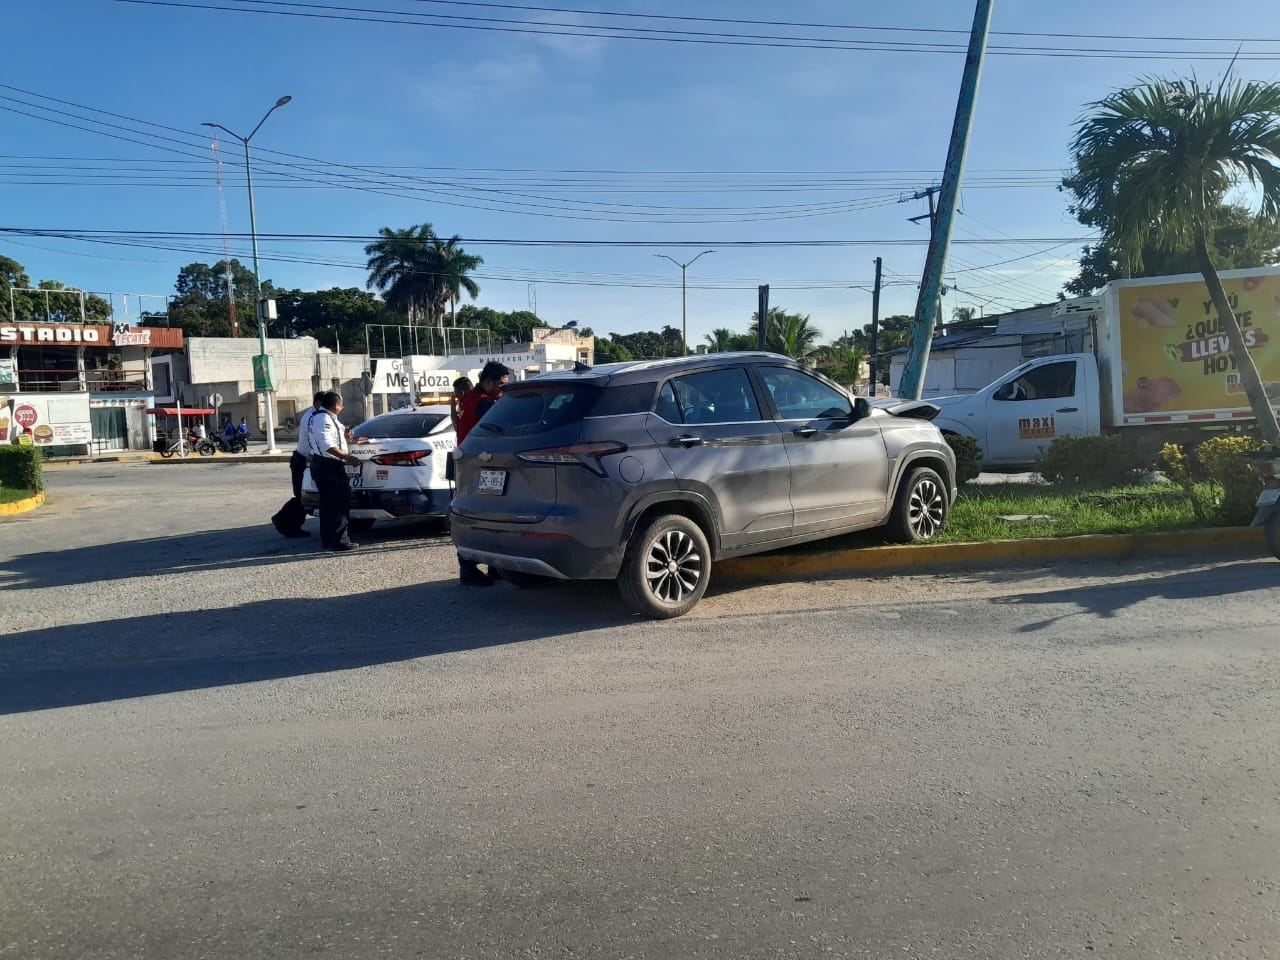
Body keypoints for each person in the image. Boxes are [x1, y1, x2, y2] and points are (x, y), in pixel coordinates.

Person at [452, 362, 510, 585]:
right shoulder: (484, 403)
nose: (503, 389)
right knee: (478, 516)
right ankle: (468, 567)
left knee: (486, 514)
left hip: (472, 462)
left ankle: (495, 566)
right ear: (488, 381)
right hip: (480, 465)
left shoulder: (470, 398)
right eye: (501, 385)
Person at [307, 390, 362, 551]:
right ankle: (340, 540)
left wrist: (347, 438)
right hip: (328, 465)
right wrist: (347, 457)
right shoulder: (324, 419)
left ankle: (329, 539)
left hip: (323, 464)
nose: (342, 407)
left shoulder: (325, 418)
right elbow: (327, 445)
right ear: (336, 405)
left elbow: (333, 439)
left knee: (328, 505)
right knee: (338, 504)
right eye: (341, 404)